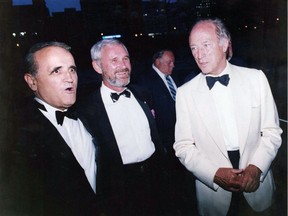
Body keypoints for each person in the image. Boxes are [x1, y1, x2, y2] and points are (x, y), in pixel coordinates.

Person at [173, 18, 282, 216]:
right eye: (193, 48)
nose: (199, 54)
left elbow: (272, 132)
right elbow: (183, 146)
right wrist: (214, 174)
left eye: (205, 45)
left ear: (224, 44)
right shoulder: (185, 93)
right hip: (214, 197)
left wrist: (257, 167)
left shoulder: (255, 79)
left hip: (258, 186)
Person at [78, 39, 167, 216]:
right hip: (122, 188)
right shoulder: (87, 109)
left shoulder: (143, 93)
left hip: (156, 178)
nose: (123, 65)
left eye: (126, 59)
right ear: (97, 67)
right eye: (114, 60)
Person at [9, 42, 99, 216]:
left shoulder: (89, 112)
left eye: (72, 69)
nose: (70, 78)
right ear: (32, 82)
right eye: (57, 71)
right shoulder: (18, 137)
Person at [136, 49, 196, 215]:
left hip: (181, 137)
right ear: (157, 62)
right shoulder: (144, 82)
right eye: (169, 62)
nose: (173, 65)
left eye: (173, 62)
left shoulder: (172, 78)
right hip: (164, 141)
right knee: (172, 182)